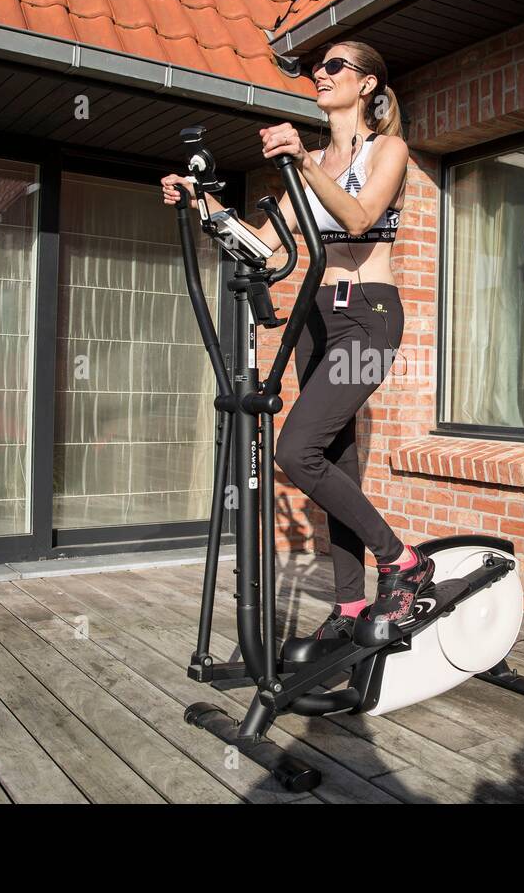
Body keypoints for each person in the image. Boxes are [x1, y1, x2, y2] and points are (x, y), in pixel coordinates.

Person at [162, 42, 431, 659]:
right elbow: (262, 245)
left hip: (368, 314)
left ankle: (403, 561)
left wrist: (304, 166)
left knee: (296, 450)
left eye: (335, 66)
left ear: (367, 84)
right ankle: (352, 603)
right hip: (315, 317)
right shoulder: (306, 161)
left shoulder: (387, 150)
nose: (320, 74)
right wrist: (202, 203)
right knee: (335, 457)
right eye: (318, 68)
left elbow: (361, 218)